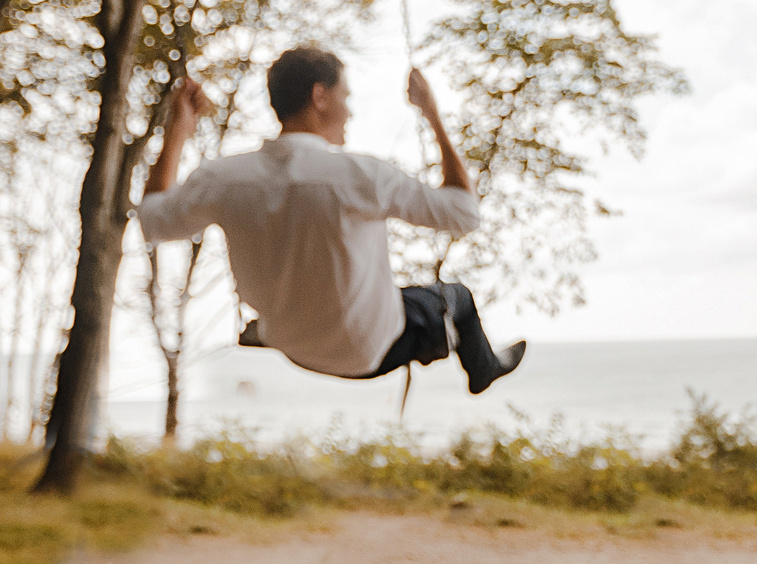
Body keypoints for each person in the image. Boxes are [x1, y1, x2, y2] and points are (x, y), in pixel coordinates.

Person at [138, 46, 525, 392]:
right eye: (346, 97)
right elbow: (464, 213)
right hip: (368, 351)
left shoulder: (222, 178)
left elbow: (152, 220)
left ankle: (432, 336)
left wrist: (178, 130)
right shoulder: (362, 176)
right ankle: (483, 367)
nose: (350, 110)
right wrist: (432, 114)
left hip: (294, 347)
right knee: (456, 297)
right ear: (319, 96)